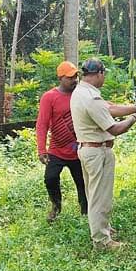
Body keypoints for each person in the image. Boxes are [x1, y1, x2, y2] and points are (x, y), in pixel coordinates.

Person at [70, 58, 136, 250]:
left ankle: (103, 229)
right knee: (100, 197)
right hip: (97, 151)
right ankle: (102, 241)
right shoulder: (90, 98)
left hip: (89, 149)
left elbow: (110, 108)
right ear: (99, 73)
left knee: (95, 194)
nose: (104, 77)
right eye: (104, 74)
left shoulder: (82, 91)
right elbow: (115, 128)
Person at [36, 61, 88, 222]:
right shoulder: (49, 97)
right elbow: (42, 124)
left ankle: (86, 213)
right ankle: (56, 206)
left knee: (83, 183)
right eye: (70, 77)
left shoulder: (80, 93)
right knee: (50, 178)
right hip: (57, 149)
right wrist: (41, 150)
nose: (74, 80)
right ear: (60, 78)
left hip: (78, 149)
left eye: (76, 76)